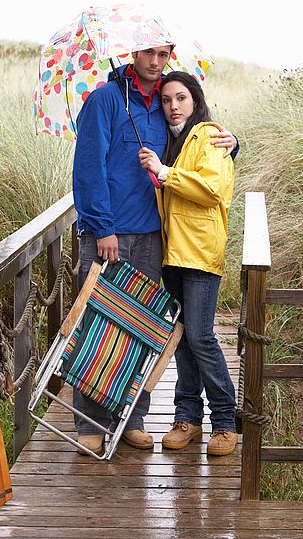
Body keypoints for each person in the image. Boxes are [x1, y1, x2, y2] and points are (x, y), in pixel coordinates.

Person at [72, 46, 237, 455]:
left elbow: (198, 145)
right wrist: (101, 226)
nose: (155, 61)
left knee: (141, 330)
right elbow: (88, 167)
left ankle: (132, 418)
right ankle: (90, 422)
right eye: (149, 53)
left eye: (163, 54)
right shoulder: (107, 99)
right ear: (134, 53)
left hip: (153, 236)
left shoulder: (163, 104)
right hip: (108, 233)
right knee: (97, 325)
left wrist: (234, 144)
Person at [138, 71, 238, 456]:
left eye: (180, 98)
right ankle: (187, 418)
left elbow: (211, 189)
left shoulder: (210, 135)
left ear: (194, 100)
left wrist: (163, 172)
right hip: (172, 253)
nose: (173, 106)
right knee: (181, 339)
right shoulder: (171, 141)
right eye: (165, 100)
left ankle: (225, 422)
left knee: (200, 336)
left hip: (198, 251)